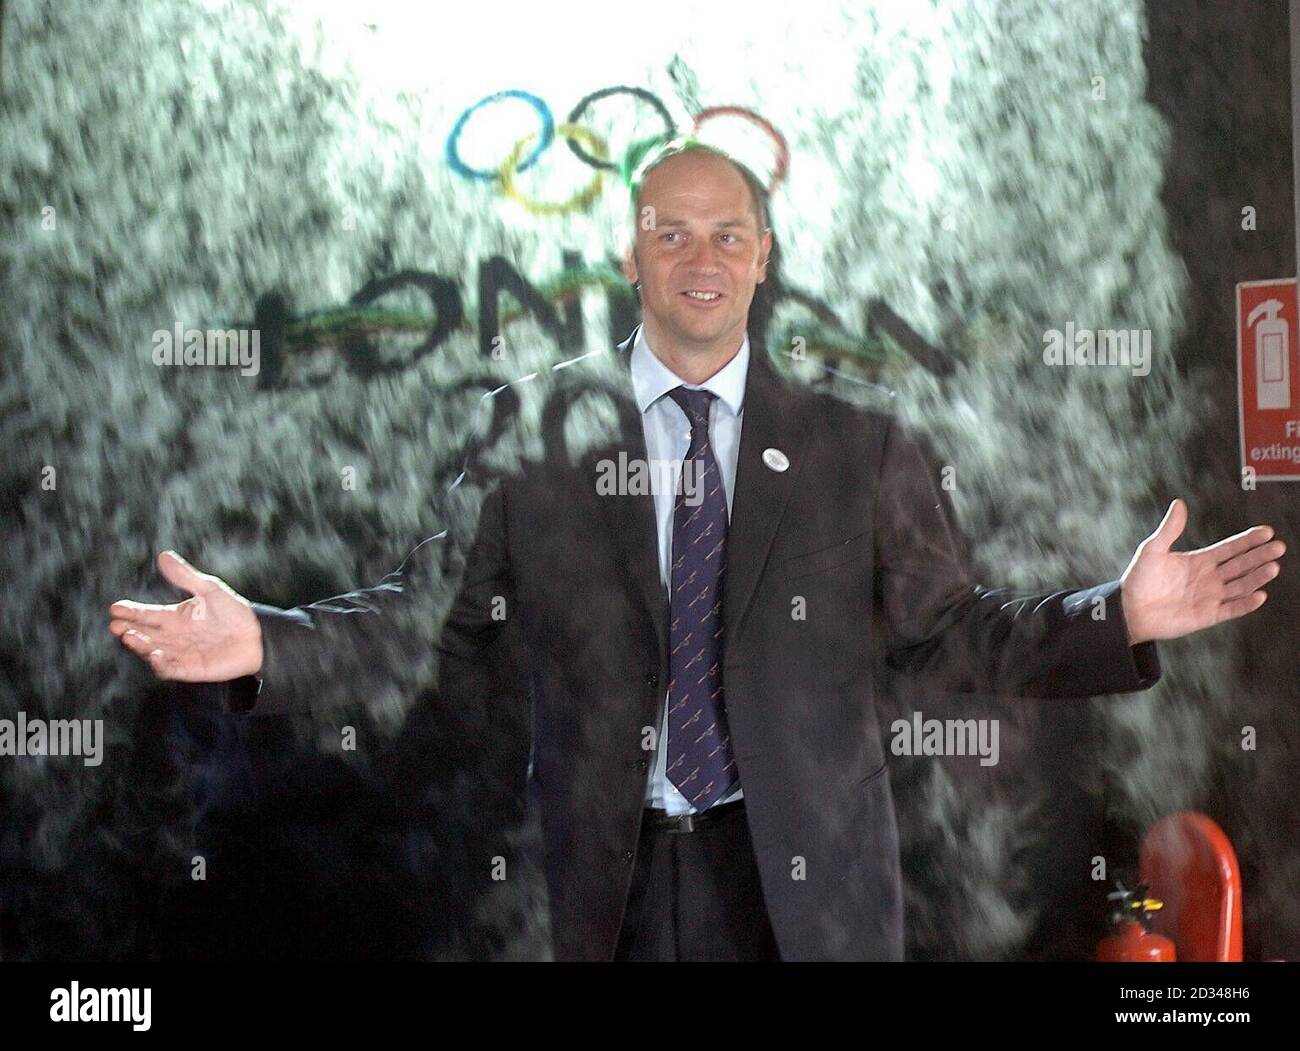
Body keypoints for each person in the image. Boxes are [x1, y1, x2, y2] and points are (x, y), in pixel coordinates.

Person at [109, 139, 1286, 961]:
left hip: (809, 899)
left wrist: (1115, 616)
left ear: (763, 256)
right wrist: (263, 636)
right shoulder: (535, 432)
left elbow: (954, 630)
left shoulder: (860, 450)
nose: (700, 256)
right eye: (670, 233)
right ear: (630, 253)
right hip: (610, 889)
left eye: (727, 233)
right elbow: (428, 626)